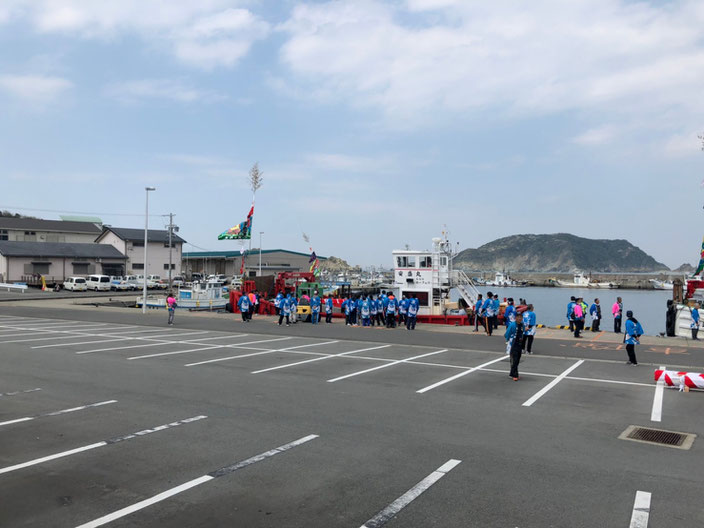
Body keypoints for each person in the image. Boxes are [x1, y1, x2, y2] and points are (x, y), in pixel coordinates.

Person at [509, 314, 525, 381]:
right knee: (514, 359)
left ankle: (513, 373)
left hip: (519, 344)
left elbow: (523, 333)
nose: (520, 318)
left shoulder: (522, 325)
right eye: (518, 317)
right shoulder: (512, 325)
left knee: (518, 359)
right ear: (515, 318)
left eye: (521, 317)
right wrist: (508, 340)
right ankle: (515, 375)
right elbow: (508, 333)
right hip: (513, 343)